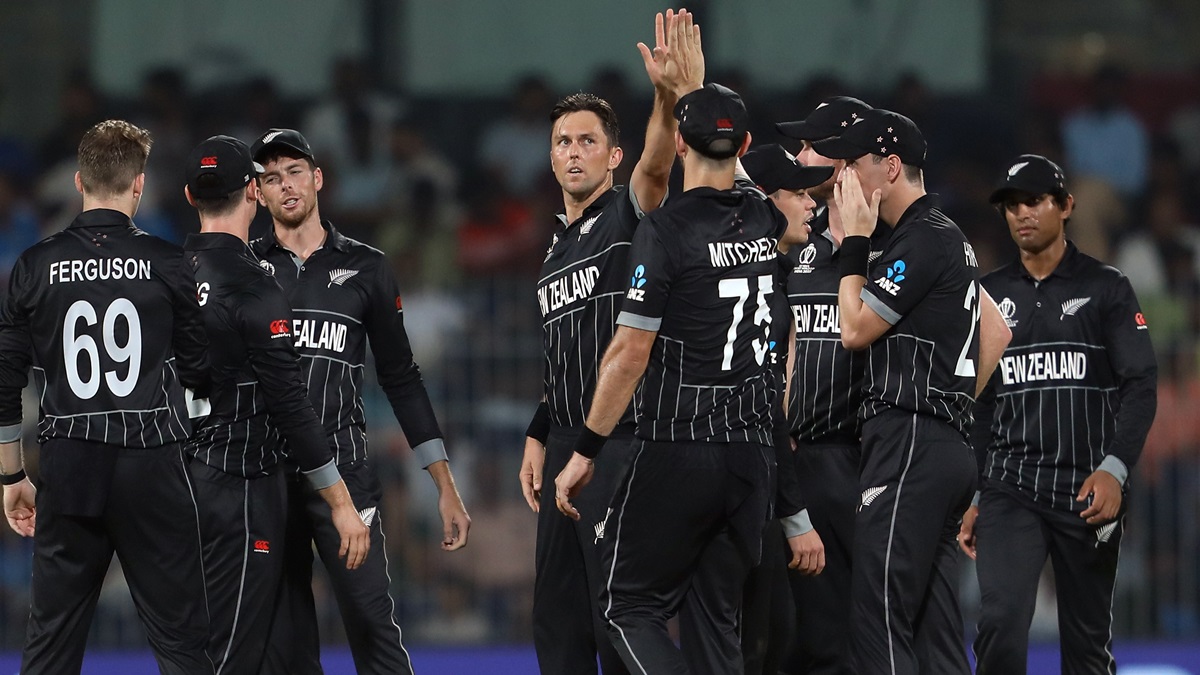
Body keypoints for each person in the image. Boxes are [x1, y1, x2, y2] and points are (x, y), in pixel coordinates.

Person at [554, 81, 781, 675]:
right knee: (715, 619)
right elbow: (745, 183)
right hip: (753, 455)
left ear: (680, 143)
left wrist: (585, 450)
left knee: (624, 607)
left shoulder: (663, 228)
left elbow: (630, 353)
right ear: (745, 146)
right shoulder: (764, 217)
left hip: (683, 443)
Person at [249, 127, 471, 675]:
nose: (286, 185)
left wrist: (444, 485)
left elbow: (401, 378)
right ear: (258, 194)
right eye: (272, 178)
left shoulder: (367, 267)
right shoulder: (246, 269)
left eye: (295, 172)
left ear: (318, 178)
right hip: (266, 477)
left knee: (373, 628)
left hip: (345, 474)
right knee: (282, 639)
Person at [519, 9, 701, 674]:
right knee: (556, 620)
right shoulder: (553, 251)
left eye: (587, 141)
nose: (573, 151)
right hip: (565, 441)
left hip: (619, 443)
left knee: (614, 618)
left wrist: (666, 95)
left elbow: (658, 164)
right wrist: (539, 431)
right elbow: (561, 357)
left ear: (612, 156)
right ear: (551, 156)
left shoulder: (628, 215)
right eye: (563, 141)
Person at [0, 119, 212, 674]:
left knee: (50, 647)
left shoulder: (33, 266)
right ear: (139, 184)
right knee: (183, 645)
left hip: (70, 462)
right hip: (152, 463)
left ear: (78, 182)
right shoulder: (171, 264)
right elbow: (199, 372)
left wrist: (11, 474)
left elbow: (5, 379)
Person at [816, 108, 1011, 674]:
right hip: (940, 442)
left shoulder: (921, 237)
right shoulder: (942, 236)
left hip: (909, 440)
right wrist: (951, 404)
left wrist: (854, 243)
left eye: (855, 163)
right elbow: (997, 330)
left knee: (878, 616)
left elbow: (854, 330)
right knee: (935, 631)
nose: (845, 176)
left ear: (891, 166)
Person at [959, 155, 1158, 675]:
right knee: (999, 625)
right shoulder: (989, 296)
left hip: (1087, 490)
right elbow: (980, 405)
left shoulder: (1107, 288)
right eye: (1011, 205)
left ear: (1066, 206)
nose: (1022, 213)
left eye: (1034, 201)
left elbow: (1140, 385)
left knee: (1086, 651)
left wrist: (1116, 468)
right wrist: (976, 492)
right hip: (1010, 488)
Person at [181, 135, 370, 675]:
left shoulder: (164, 276)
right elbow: (290, 403)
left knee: (203, 647)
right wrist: (340, 502)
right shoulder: (256, 288)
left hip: (172, 486)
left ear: (190, 195)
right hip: (239, 483)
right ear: (253, 192)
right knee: (234, 656)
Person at [775, 95, 880, 675]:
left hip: (866, 459)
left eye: (810, 146)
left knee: (866, 631)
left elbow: (989, 327)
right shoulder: (798, 246)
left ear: (842, 157)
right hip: (801, 458)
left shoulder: (894, 245)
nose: (799, 156)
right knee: (804, 633)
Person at [737, 143, 834, 675]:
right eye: (797, 193)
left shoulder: (780, 276)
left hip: (765, 475)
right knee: (753, 641)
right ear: (763, 201)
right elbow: (761, 401)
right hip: (736, 477)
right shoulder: (749, 285)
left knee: (775, 638)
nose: (810, 202)